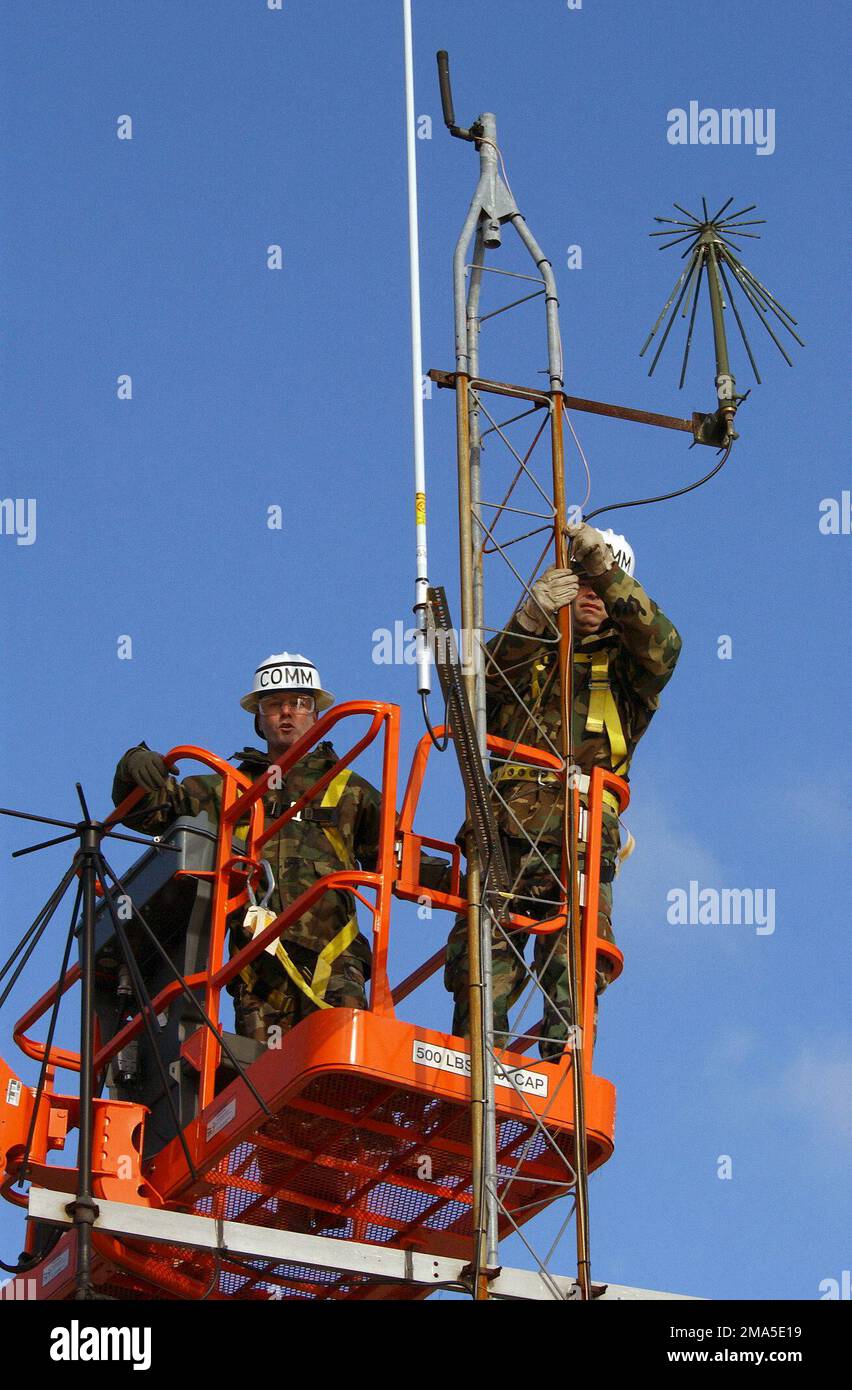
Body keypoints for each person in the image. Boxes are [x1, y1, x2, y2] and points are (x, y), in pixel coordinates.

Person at [444, 522, 682, 1058]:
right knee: (482, 954)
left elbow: (663, 646)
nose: (592, 597)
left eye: (604, 588)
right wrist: (530, 618)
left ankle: (563, 1073)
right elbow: (474, 690)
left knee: (572, 961)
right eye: (583, 585)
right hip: (501, 827)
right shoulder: (528, 654)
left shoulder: (628, 671)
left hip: (578, 835)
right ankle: (478, 1061)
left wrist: (602, 568)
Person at [112, 652, 381, 1045]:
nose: (287, 713)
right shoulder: (228, 787)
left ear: (317, 714)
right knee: (264, 1083)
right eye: (274, 704)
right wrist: (132, 765)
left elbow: (401, 858)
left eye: (300, 703)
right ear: (258, 717)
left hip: (335, 959)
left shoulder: (350, 789)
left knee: (340, 1060)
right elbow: (146, 811)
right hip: (257, 964)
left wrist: (477, 884)